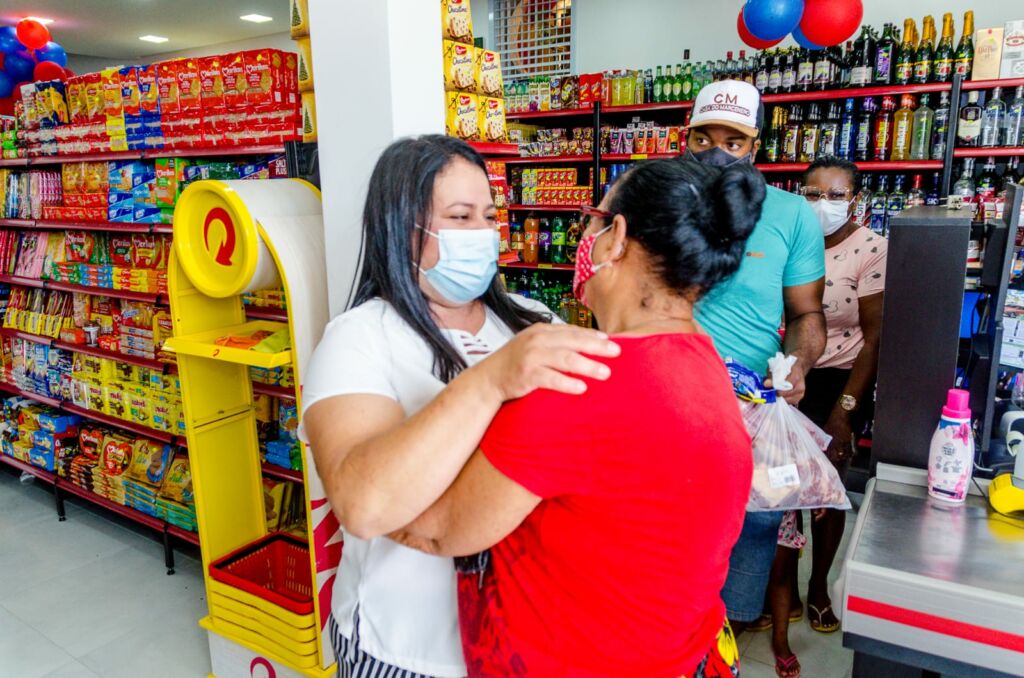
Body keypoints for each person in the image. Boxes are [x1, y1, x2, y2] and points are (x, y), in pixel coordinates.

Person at [389, 158, 765, 677]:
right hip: (683, 655)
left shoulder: (577, 381)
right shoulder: (704, 357)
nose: (582, 237)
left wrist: (357, 475)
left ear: (616, 238)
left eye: (593, 219)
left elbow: (440, 530)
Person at [301, 135, 621, 677]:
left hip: (527, 637)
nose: (482, 233)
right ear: (403, 230)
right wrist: (491, 380)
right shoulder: (358, 339)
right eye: (460, 216)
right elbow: (362, 504)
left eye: (489, 215)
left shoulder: (530, 317)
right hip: (405, 647)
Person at [683, 80, 827, 638]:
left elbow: (807, 315)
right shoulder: (661, 202)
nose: (717, 152)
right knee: (668, 550)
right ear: (685, 138)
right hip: (672, 403)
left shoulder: (791, 216)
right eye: (704, 137)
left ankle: (731, 634)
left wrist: (798, 365)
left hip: (750, 410)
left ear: (756, 146)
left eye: (734, 141)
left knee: (751, 535)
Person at [761, 156, 887, 676]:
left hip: (840, 380)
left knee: (828, 491)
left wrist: (846, 411)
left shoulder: (871, 248)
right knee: (780, 491)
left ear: (853, 200)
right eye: (813, 195)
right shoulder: (785, 236)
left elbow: (876, 336)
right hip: (785, 376)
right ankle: (776, 598)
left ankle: (818, 589)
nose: (823, 206)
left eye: (835, 196)